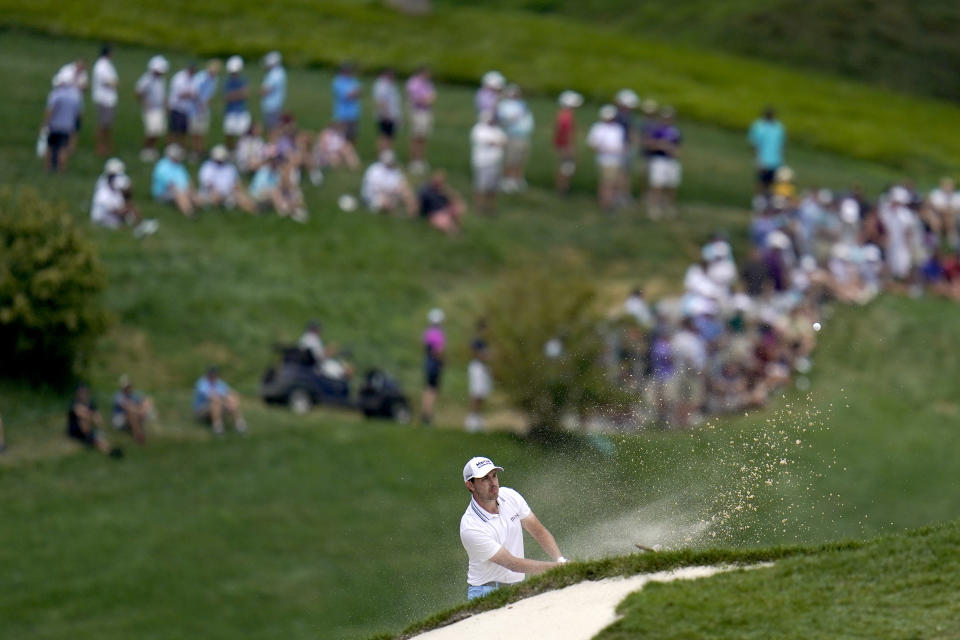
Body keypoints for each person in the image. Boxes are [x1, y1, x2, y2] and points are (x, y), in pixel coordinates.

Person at [460, 456, 567, 600]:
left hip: (516, 587)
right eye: (484, 479)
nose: (493, 483)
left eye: (494, 476)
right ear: (470, 485)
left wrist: (560, 560)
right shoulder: (471, 527)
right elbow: (512, 563)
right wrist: (557, 569)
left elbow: (538, 531)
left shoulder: (510, 496)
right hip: (486, 593)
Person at [42, 70, 83, 173]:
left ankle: (48, 167)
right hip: (67, 126)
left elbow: (50, 110)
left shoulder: (55, 95)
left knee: (50, 147)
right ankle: (61, 169)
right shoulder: (75, 96)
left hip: (54, 125)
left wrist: (45, 123)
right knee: (63, 148)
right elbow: (77, 113)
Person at [646, 106, 683, 219]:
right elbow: (650, 144)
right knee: (657, 185)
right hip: (659, 160)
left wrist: (673, 151)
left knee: (671, 185)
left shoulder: (676, 131)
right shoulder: (657, 130)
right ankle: (654, 207)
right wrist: (661, 145)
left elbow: (679, 148)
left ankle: (668, 206)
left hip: (671, 161)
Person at [67, 384, 123, 457]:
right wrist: (93, 416)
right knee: (85, 421)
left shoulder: (90, 403)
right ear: (77, 393)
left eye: (85, 392)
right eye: (81, 392)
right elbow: (81, 413)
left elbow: (98, 417)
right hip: (76, 431)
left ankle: (110, 450)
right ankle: (108, 450)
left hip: (88, 429)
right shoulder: (74, 403)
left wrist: (95, 419)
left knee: (98, 439)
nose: (83, 394)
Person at [497, 84, 534, 193]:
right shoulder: (504, 105)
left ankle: (517, 179)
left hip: (523, 135)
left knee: (521, 159)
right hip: (512, 135)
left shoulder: (522, 104)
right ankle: (507, 180)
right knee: (511, 159)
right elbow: (506, 119)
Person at [586, 104, 623, 212]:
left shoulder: (617, 128)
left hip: (616, 159)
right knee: (607, 183)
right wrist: (606, 149)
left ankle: (608, 201)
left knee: (612, 183)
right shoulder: (598, 128)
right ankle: (606, 204)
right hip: (605, 160)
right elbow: (593, 145)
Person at [198, 144, 254, 212]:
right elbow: (207, 184)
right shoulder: (207, 167)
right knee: (215, 197)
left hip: (229, 193)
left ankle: (254, 210)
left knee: (241, 197)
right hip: (212, 194)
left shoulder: (230, 168)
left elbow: (237, 182)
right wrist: (216, 192)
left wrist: (239, 190)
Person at [470, 110, 507, 213]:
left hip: (495, 162)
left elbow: (503, 141)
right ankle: (479, 207)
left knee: (493, 188)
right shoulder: (478, 129)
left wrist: (497, 142)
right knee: (481, 186)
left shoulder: (497, 130)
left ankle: (491, 207)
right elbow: (490, 142)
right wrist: (497, 142)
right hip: (483, 163)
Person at [193, 367, 247, 435]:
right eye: (211, 374)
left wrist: (233, 399)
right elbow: (211, 397)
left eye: (215, 374)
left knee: (231, 399)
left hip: (218, 406)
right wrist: (226, 403)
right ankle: (218, 426)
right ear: (207, 375)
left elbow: (230, 392)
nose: (213, 376)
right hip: (201, 411)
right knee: (216, 402)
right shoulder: (202, 383)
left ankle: (239, 424)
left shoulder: (219, 382)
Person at [134, 55, 169, 162]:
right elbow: (138, 92)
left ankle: (152, 149)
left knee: (157, 131)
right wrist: (145, 104)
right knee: (150, 131)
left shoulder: (161, 80)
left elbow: (162, 94)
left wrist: (165, 106)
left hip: (159, 109)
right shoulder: (146, 79)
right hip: (151, 109)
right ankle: (145, 150)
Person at [361, 150, 416, 215]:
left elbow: (402, 183)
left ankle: (412, 211)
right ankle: (397, 213)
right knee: (385, 202)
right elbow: (375, 189)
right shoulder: (375, 170)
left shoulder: (395, 171)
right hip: (374, 197)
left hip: (391, 195)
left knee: (407, 192)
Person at [748, 106, 786, 197]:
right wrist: (757, 159)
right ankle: (759, 200)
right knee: (761, 182)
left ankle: (769, 202)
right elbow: (754, 144)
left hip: (775, 160)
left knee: (773, 183)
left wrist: (782, 159)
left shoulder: (778, 127)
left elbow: (782, 145)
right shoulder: (758, 126)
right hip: (763, 160)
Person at [405, 66, 436, 174]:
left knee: (423, 137)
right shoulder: (413, 83)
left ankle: (421, 159)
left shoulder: (428, 83)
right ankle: (414, 161)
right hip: (417, 112)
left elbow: (432, 97)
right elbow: (417, 99)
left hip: (426, 112)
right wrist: (426, 99)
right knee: (416, 137)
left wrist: (427, 99)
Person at [151, 143, 196, 216]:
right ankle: (189, 212)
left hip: (180, 190)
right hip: (163, 193)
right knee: (179, 195)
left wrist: (190, 189)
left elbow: (188, 179)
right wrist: (182, 191)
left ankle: (196, 207)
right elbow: (170, 185)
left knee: (193, 194)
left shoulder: (179, 165)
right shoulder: (162, 166)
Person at [465, 319, 492, 433]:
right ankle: (471, 420)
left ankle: (478, 418)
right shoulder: (477, 340)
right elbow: (477, 354)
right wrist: (486, 356)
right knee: (476, 393)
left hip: (483, 368)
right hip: (477, 367)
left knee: (482, 394)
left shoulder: (485, 341)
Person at [419, 170, 466, 235]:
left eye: (442, 181)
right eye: (437, 181)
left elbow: (455, 199)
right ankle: (455, 235)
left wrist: (446, 192)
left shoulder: (442, 188)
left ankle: (459, 228)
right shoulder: (425, 191)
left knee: (460, 207)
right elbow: (422, 207)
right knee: (446, 222)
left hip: (445, 209)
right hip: (434, 212)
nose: (440, 183)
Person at [553, 90, 582, 195]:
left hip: (562, 145)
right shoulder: (567, 116)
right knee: (566, 168)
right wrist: (570, 148)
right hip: (566, 146)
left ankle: (562, 188)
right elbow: (567, 133)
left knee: (564, 167)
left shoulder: (562, 114)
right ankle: (562, 189)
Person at [91, 45, 118, 156]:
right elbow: (107, 82)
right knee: (103, 125)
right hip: (105, 99)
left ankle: (106, 147)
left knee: (107, 125)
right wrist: (115, 83)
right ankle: (100, 148)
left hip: (108, 99)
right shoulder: (101, 66)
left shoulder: (106, 65)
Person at [190, 59, 221, 156]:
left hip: (205, 109)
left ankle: (200, 150)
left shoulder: (215, 79)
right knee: (195, 131)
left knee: (202, 131)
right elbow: (195, 92)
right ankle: (195, 150)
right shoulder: (200, 77)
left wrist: (206, 103)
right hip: (195, 109)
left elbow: (211, 94)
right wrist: (201, 103)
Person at [421, 308, 446, 425]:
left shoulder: (427, 332)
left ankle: (425, 413)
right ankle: (428, 415)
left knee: (427, 389)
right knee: (432, 390)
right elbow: (438, 351)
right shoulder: (438, 333)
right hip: (434, 364)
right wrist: (443, 361)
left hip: (427, 362)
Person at [112, 375, 153, 445]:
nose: (128, 388)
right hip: (119, 420)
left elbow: (148, 400)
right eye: (126, 387)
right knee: (131, 413)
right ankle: (138, 436)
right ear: (122, 388)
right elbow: (127, 407)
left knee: (136, 413)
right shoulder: (118, 396)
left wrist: (143, 409)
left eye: (129, 386)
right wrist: (140, 411)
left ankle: (139, 434)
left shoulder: (135, 394)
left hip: (134, 415)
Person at [222, 56, 250, 149]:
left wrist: (234, 95)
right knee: (229, 133)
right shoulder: (227, 82)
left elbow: (245, 95)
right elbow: (227, 97)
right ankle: (230, 150)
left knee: (242, 134)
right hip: (230, 111)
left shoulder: (243, 80)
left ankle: (240, 151)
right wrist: (239, 93)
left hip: (241, 111)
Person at [332, 62, 362, 144]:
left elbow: (359, 93)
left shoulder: (353, 80)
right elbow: (346, 96)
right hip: (342, 115)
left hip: (353, 114)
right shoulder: (338, 81)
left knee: (353, 137)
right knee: (341, 138)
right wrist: (353, 93)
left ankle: (351, 155)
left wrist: (354, 94)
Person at [167, 63, 196, 148]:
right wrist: (188, 94)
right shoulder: (179, 78)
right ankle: (170, 147)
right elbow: (179, 94)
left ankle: (180, 147)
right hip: (176, 107)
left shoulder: (192, 79)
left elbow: (193, 93)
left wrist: (189, 94)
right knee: (173, 130)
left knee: (183, 131)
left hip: (186, 109)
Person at [372, 68, 401, 153]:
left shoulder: (391, 85)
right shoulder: (382, 85)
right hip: (386, 115)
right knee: (384, 136)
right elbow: (382, 101)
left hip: (391, 115)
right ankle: (382, 154)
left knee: (390, 136)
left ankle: (388, 154)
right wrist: (386, 114)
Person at [260, 51, 287, 133]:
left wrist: (260, 92)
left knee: (272, 129)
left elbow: (267, 89)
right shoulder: (280, 72)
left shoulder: (275, 74)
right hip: (275, 104)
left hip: (272, 105)